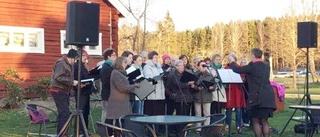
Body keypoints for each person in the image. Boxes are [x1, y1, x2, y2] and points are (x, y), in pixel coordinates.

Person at [227, 48, 276, 137]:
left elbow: (237, 70)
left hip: (257, 98)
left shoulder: (252, 66)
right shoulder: (266, 66)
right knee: (265, 121)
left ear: (253, 56)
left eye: (250, 55)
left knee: (255, 121)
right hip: (268, 96)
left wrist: (232, 61)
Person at [105, 57, 139, 136]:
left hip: (122, 101)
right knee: (117, 120)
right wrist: (134, 86)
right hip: (118, 101)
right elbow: (122, 87)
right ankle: (113, 134)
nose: (126, 64)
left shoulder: (121, 73)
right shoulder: (116, 73)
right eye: (124, 62)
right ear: (120, 63)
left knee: (120, 120)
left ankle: (119, 134)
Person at [49, 49, 78, 136]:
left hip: (63, 91)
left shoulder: (68, 64)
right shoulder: (61, 63)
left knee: (64, 113)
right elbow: (58, 77)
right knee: (64, 113)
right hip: (58, 90)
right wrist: (72, 82)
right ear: (72, 58)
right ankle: (62, 134)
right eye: (76, 59)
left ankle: (62, 133)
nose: (76, 61)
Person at [166, 60, 194, 136]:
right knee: (180, 117)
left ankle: (185, 132)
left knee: (186, 117)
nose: (182, 67)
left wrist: (193, 85)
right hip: (179, 98)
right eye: (180, 66)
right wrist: (188, 83)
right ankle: (179, 133)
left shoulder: (186, 74)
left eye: (183, 66)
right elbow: (179, 84)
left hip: (187, 98)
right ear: (176, 67)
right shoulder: (174, 75)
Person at [143, 51, 166, 134]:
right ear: (151, 58)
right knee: (152, 112)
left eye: (157, 57)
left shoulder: (159, 67)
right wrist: (156, 78)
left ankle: (158, 129)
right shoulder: (147, 67)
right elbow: (148, 78)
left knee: (160, 112)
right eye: (155, 57)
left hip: (160, 93)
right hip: (152, 93)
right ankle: (151, 130)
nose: (156, 59)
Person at [224, 54, 246, 133]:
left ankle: (238, 125)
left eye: (231, 59)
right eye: (229, 59)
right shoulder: (226, 68)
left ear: (235, 59)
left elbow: (243, 78)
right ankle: (227, 124)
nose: (230, 61)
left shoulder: (239, 67)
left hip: (237, 90)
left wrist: (242, 79)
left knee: (238, 108)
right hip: (229, 90)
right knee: (228, 109)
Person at [73, 50, 93, 135]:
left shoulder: (83, 66)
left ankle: (85, 131)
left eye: (86, 56)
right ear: (78, 57)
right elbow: (75, 79)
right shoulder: (76, 66)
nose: (85, 58)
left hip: (86, 92)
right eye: (84, 56)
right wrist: (79, 84)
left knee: (86, 112)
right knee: (81, 112)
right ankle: (79, 131)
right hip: (80, 93)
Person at [191, 60, 215, 128]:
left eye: (205, 65)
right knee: (198, 113)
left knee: (207, 113)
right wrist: (196, 87)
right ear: (198, 67)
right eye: (202, 65)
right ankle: (198, 127)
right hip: (197, 96)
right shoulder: (195, 75)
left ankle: (206, 127)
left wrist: (212, 87)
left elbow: (214, 85)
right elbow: (193, 85)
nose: (204, 67)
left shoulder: (210, 75)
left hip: (207, 96)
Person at [100, 48, 117, 124]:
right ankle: (106, 132)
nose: (115, 57)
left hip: (112, 94)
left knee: (112, 115)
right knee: (107, 115)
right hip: (108, 94)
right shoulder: (106, 67)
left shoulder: (111, 67)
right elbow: (106, 81)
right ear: (108, 57)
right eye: (113, 55)